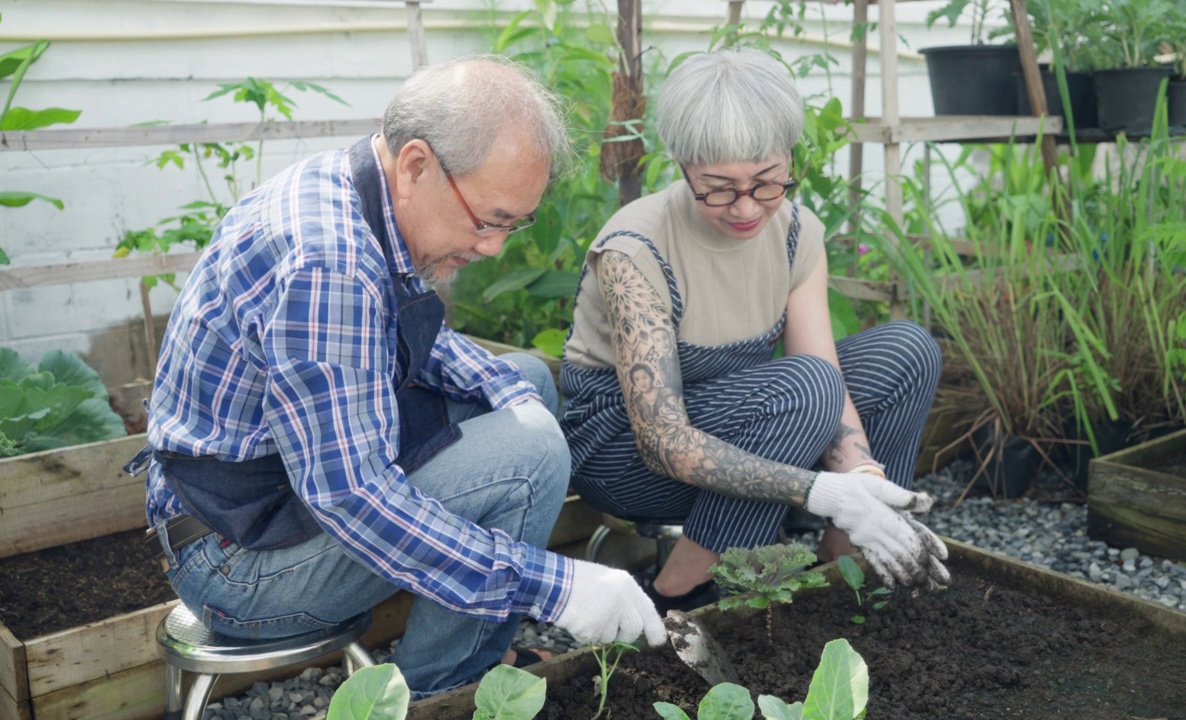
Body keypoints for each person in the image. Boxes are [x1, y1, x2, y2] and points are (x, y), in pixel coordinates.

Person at [124, 54, 665, 701]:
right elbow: (351, 495)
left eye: (510, 225)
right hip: (238, 564)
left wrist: (519, 397)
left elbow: (423, 343)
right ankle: (442, 690)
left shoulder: (366, 191)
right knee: (532, 456)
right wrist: (556, 584)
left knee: (524, 381)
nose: (494, 246)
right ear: (416, 165)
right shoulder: (329, 264)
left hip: (275, 493)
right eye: (489, 220)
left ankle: (471, 630)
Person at [559, 47, 950, 615]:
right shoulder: (635, 249)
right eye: (719, 187)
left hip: (742, 418)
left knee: (907, 350)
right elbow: (662, 442)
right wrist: (821, 491)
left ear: (788, 158)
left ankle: (846, 568)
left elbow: (826, 372)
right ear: (681, 163)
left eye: (768, 182)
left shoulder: (795, 232)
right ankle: (678, 593)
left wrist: (862, 481)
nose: (747, 208)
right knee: (805, 388)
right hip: (624, 451)